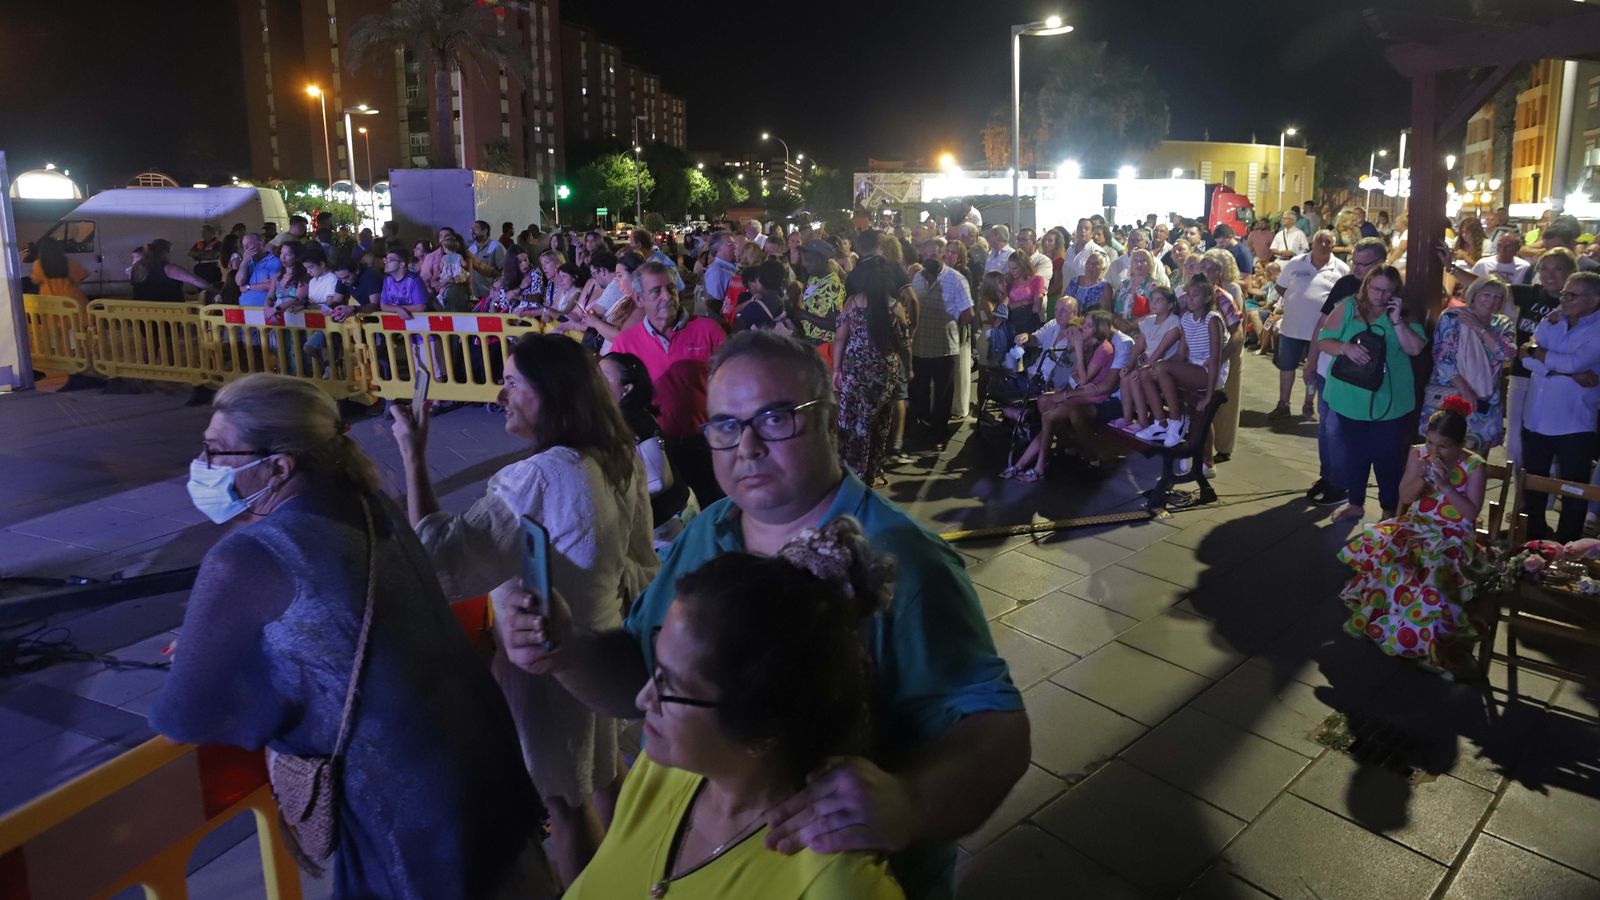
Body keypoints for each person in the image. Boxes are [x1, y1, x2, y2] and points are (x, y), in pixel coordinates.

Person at [498, 330, 1028, 899]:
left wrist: (911, 802)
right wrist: (565, 650)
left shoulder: (906, 562)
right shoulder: (711, 530)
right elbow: (639, 675)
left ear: (830, 423)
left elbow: (999, 730)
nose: (746, 447)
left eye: (776, 418)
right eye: (725, 425)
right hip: (704, 837)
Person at [152, 374, 553, 899]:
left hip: (409, 828)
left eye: (216, 450)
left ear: (279, 465)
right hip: (493, 790)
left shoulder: (247, 557)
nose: (202, 465)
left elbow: (182, 715)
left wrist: (248, 667)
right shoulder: (373, 504)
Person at [391, 335, 658, 886]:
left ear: (552, 394)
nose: (500, 393)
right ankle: (636, 879)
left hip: (543, 661)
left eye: (514, 382)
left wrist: (413, 458)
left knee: (564, 803)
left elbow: (441, 560)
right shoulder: (617, 453)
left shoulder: (537, 478)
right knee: (606, 777)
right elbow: (640, 558)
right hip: (603, 650)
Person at [564, 518, 905, 899]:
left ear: (762, 731)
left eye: (671, 688)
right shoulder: (660, 770)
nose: (644, 700)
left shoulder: (838, 886)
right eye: (656, 670)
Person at [1337, 397, 1491, 679]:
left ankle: (1424, 642)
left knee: (1432, 568)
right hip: (1418, 524)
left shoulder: (1474, 465)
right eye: (1430, 442)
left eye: (1443, 446)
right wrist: (1420, 477)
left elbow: (1469, 513)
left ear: (1460, 444)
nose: (1434, 451)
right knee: (1390, 551)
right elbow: (1405, 498)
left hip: (1453, 533)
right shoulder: (1418, 454)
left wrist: (1445, 485)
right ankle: (1392, 626)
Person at [610, 261, 729, 507]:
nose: (667, 296)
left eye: (671, 289)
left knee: (712, 513)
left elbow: (733, 389)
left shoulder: (708, 330)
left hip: (705, 447)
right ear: (640, 299)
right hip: (655, 452)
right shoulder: (625, 343)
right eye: (656, 291)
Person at [1319, 266, 1427, 522]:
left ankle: (1388, 507)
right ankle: (1355, 503)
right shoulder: (1347, 307)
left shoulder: (1405, 314)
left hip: (1389, 399)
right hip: (1350, 395)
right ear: (1366, 285)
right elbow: (1324, 341)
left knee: (1386, 455)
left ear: (1395, 292)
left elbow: (1415, 349)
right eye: (1375, 288)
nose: (1379, 295)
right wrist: (1345, 348)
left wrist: (1397, 320)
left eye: (1386, 291)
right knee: (1354, 452)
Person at [1518, 271, 1600, 542]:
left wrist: (1541, 356)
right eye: (1564, 293)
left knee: (1573, 489)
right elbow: (1525, 358)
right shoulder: (1552, 319)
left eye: (1572, 295)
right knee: (1532, 485)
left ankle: (1567, 546)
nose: (1563, 299)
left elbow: (1574, 362)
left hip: (1573, 423)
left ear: (1594, 300)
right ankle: (1534, 539)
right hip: (1535, 417)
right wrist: (1565, 371)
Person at [1002, 310, 1127, 481]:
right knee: (1045, 402)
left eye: (1089, 326)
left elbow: (1083, 378)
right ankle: (1023, 463)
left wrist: (1078, 351)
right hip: (1082, 392)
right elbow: (1077, 376)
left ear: (1099, 329)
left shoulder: (1104, 348)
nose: (1083, 328)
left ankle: (1038, 467)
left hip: (1092, 397)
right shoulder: (1090, 345)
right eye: (1085, 324)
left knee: (1048, 418)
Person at [600, 352, 693, 546]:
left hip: (669, 527)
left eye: (603, 377)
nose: (593, 382)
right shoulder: (627, 417)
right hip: (670, 517)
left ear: (626, 389)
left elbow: (658, 481)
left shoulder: (630, 422)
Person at [834, 256, 910, 484]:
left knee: (851, 419)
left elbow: (839, 338)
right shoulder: (895, 307)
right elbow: (904, 342)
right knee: (877, 419)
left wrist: (836, 369)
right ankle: (872, 471)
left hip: (854, 368)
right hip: (884, 369)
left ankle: (850, 471)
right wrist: (910, 367)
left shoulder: (852, 302)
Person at [1419, 276, 1515, 451]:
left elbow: (1506, 354)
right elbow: (1442, 357)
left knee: (1474, 458)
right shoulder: (1453, 317)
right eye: (1487, 295)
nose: (1491, 301)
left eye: (1497, 297)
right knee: (1441, 451)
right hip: (1452, 394)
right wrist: (1465, 389)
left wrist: (1480, 328)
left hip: (1485, 400)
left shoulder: (1502, 324)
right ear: (1475, 294)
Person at [1138, 274, 1229, 449]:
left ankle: (1176, 419)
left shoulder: (1213, 320)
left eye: (1195, 295)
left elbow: (1216, 358)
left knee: (1161, 368)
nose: (1190, 298)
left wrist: (1209, 396)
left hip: (1208, 372)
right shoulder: (1186, 318)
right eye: (1188, 294)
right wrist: (1155, 367)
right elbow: (1180, 354)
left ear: (1207, 298)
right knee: (1146, 373)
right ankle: (1161, 423)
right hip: (1191, 367)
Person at [1506, 248, 1580, 464]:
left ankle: (1544, 495)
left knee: (1552, 441)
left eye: (1558, 269)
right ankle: (1523, 495)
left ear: (1571, 272)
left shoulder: (1581, 305)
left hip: (1560, 380)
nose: (1550, 275)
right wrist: (1451, 267)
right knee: (1515, 442)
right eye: (1544, 268)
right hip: (1522, 376)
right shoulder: (1532, 293)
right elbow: (1490, 287)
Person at [1271, 230, 1348, 419]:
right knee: (1287, 367)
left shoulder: (1342, 269)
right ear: (1312, 244)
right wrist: (1297, 302)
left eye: (1328, 242)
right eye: (1319, 241)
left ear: (1333, 245)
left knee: (1313, 368)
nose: (1323, 245)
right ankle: (1283, 403)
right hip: (1292, 327)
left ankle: (1308, 404)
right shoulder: (1295, 263)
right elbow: (1281, 287)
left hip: (1321, 331)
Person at [910, 237, 976, 452]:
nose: (928, 258)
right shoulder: (917, 278)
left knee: (943, 393)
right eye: (925, 254)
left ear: (942, 255)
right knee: (918, 390)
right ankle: (925, 425)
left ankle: (939, 433)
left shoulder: (956, 279)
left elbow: (968, 312)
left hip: (945, 346)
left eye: (933, 255)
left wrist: (949, 319)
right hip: (919, 345)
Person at [1109, 285, 1183, 433]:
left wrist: (1143, 368)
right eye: (1152, 300)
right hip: (1147, 364)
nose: (1154, 303)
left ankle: (1143, 421)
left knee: (1135, 379)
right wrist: (1129, 366)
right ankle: (1127, 418)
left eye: (1159, 300)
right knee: (1124, 377)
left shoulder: (1173, 323)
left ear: (1170, 304)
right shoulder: (1148, 321)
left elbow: (1160, 351)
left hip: (1163, 366)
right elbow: (1139, 346)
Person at [795, 240, 846, 360]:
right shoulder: (814, 278)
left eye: (808, 260)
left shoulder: (832, 286)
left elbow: (835, 324)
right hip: (811, 342)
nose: (804, 264)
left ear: (822, 261)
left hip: (825, 345)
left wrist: (804, 316)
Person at [132, 238, 212, 301]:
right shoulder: (168, 268)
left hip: (142, 317)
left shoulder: (136, 267)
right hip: (169, 316)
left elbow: (151, 291)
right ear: (165, 253)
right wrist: (216, 291)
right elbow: (196, 280)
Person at [31, 236, 88, 302]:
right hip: (71, 299)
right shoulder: (68, 261)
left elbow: (35, 280)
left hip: (49, 301)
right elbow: (81, 276)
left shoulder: (38, 264)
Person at [467, 220, 508, 300]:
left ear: (485, 231)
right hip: (474, 295)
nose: (472, 231)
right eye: (472, 228)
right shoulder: (471, 249)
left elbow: (505, 271)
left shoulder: (496, 246)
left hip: (490, 295)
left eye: (476, 228)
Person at [1063, 249, 1112, 315]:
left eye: (1095, 264)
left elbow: (1105, 313)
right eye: (1088, 262)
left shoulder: (1105, 287)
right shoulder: (1074, 281)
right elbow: (1063, 301)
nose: (1090, 266)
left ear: (1103, 268)